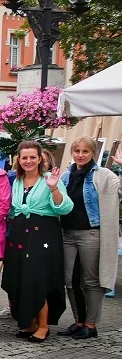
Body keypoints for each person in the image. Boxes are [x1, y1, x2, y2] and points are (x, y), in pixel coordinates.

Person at [3, 141, 73, 342]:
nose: (28, 161)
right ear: (19, 159)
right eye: (24, 157)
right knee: (19, 277)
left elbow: (65, 208)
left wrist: (53, 189)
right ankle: (30, 322)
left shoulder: (50, 179)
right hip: (19, 235)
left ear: (40, 158)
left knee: (37, 278)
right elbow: (13, 209)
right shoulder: (17, 181)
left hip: (43, 235)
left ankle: (43, 326)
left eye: (33, 157)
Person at [58, 138, 120, 340]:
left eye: (85, 151)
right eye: (77, 150)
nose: (81, 154)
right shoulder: (66, 176)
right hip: (67, 234)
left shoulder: (104, 175)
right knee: (70, 280)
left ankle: (91, 324)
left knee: (91, 280)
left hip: (91, 233)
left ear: (93, 153)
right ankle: (78, 321)